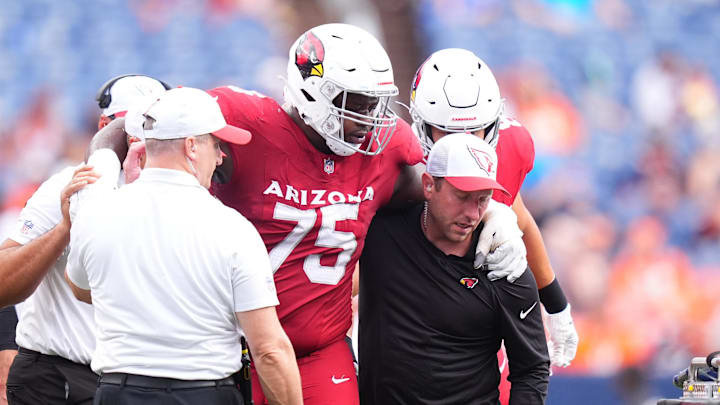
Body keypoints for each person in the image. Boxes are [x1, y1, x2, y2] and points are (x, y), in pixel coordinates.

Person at [95, 23, 527, 405]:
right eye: (358, 103)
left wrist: (496, 212)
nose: (372, 119)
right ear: (312, 93)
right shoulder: (246, 121)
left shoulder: (388, 147)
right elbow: (133, 123)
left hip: (320, 350)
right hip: (227, 345)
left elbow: (447, 184)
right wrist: (101, 176)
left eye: (377, 103)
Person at [65, 87, 303, 405]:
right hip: (203, 392)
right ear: (192, 146)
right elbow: (270, 350)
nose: (220, 157)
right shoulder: (231, 227)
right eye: (216, 144)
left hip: (118, 391)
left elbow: (81, 288)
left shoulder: (98, 212)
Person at [408, 48, 578, 399]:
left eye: (476, 131)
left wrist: (556, 304)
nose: (466, 147)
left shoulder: (510, 146)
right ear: (421, 127)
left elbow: (521, 215)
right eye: (448, 134)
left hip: (474, 313)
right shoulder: (399, 159)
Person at [0, 74, 169, 405]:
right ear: (104, 126)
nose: (141, 139)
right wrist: (65, 227)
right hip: (61, 378)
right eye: (129, 128)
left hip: (141, 379)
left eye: (151, 126)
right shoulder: (68, 184)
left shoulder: (184, 193)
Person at [358, 133, 550, 405]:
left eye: (483, 199)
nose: (473, 213)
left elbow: (532, 369)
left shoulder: (507, 266)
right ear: (428, 185)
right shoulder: (381, 231)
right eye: (462, 196)